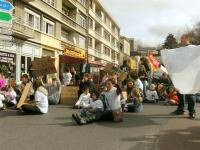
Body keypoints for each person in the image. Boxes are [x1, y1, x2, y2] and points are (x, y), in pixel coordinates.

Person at [171, 34, 197, 119]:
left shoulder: (193, 48)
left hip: (190, 75)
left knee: (191, 93)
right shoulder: (181, 50)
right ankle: (181, 109)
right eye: (181, 38)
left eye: (182, 38)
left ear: (187, 39)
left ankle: (192, 111)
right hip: (181, 75)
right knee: (180, 92)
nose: (181, 40)